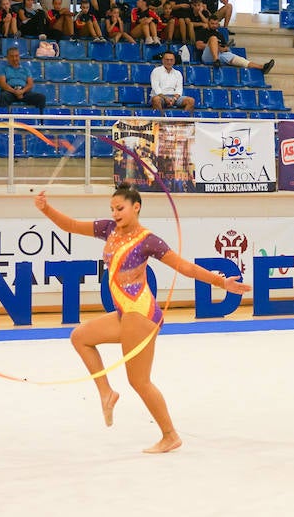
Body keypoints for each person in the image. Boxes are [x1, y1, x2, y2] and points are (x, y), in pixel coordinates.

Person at [33, 185, 250, 453]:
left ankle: (170, 435)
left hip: (140, 313)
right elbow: (71, 225)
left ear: (136, 207)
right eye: (112, 209)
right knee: (80, 337)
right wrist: (46, 209)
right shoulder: (107, 230)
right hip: (125, 314)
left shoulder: (148, 241)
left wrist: (220, 282)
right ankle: (106, 393)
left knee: (139, 381)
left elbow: (184, 266)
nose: (115, 213)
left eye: (120, 208)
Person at [196, 32, 275, 75]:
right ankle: (216, 60)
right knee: (213, 38)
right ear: (208, 22)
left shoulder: (220, 34)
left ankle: (262, 67)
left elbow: (225, 47)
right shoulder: (203, 31)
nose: (214, 25)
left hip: (221, 55)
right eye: (212, 23)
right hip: (208, 55)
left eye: (215, 23)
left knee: (238, 59)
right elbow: (198, 46)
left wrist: (224, 49)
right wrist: (214, 46)